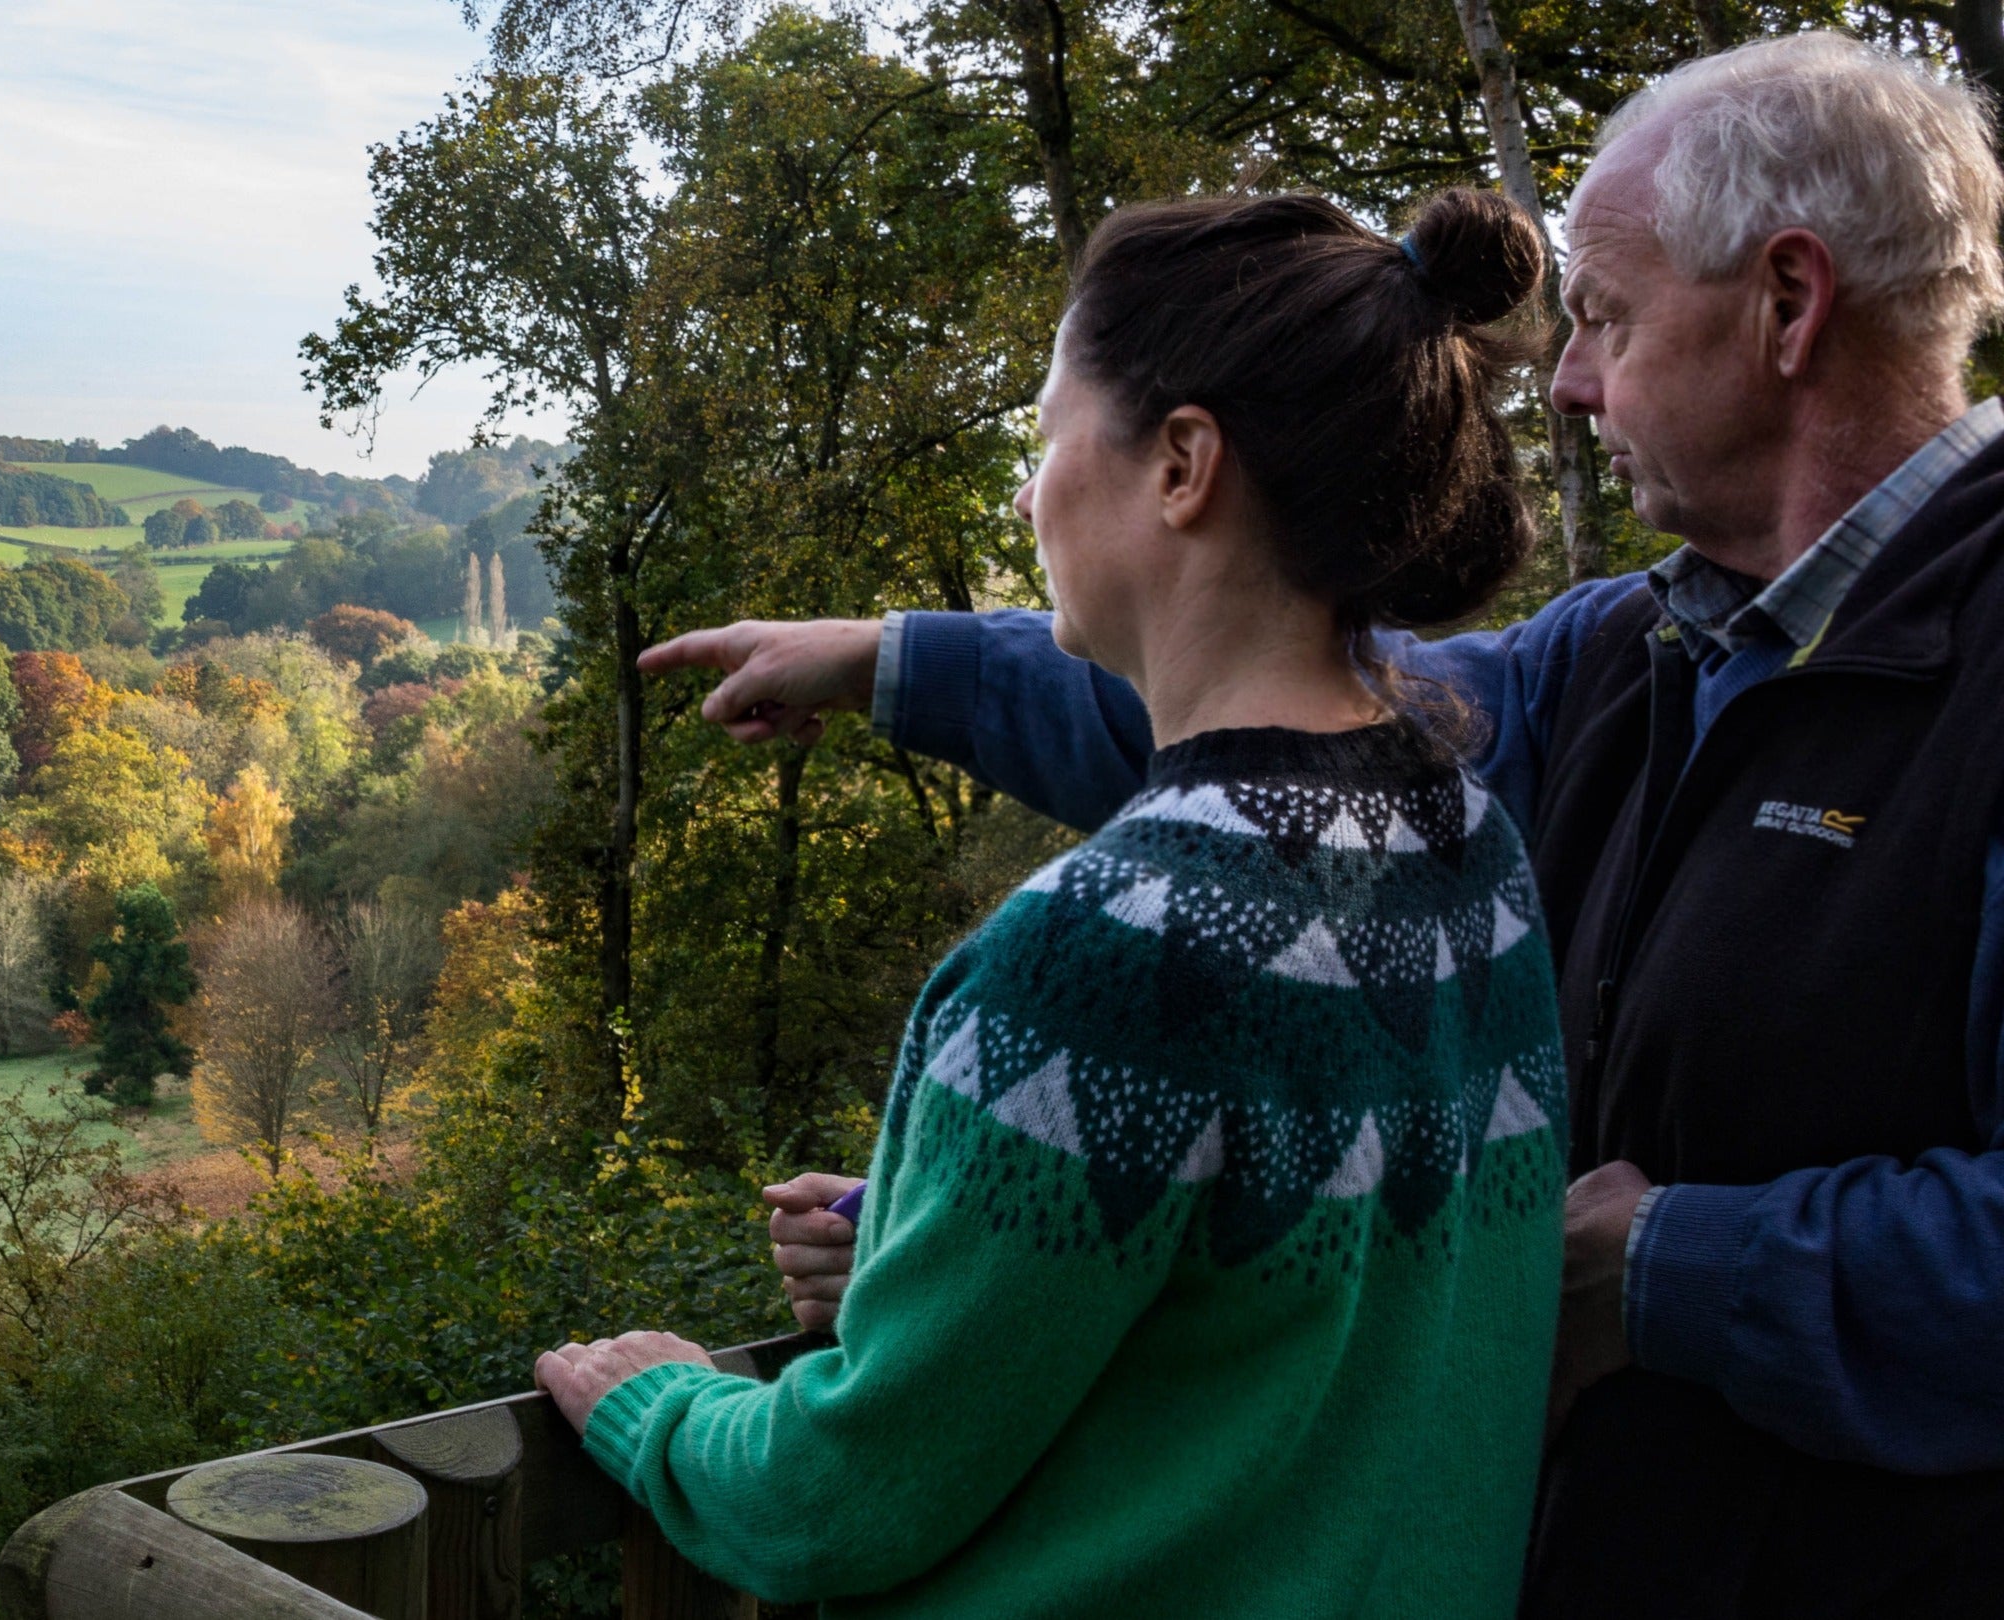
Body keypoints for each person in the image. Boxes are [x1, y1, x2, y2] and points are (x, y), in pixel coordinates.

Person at [647, 32, 2004, 1618]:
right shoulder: (1643, 653)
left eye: (1608, 323)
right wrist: (908, 662)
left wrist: (1667, 1273)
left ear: (1787, 303)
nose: (1564, 383)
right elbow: (1303, 725)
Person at [535, 186, 1568, 1616]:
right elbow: (1287, 1325)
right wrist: (919, 1228)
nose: (1028, 493)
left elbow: (838, 1498)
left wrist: (660, 1410)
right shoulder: (1468, 847)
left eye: (1044, 440)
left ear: (1182, 464)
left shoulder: (1104, 955)